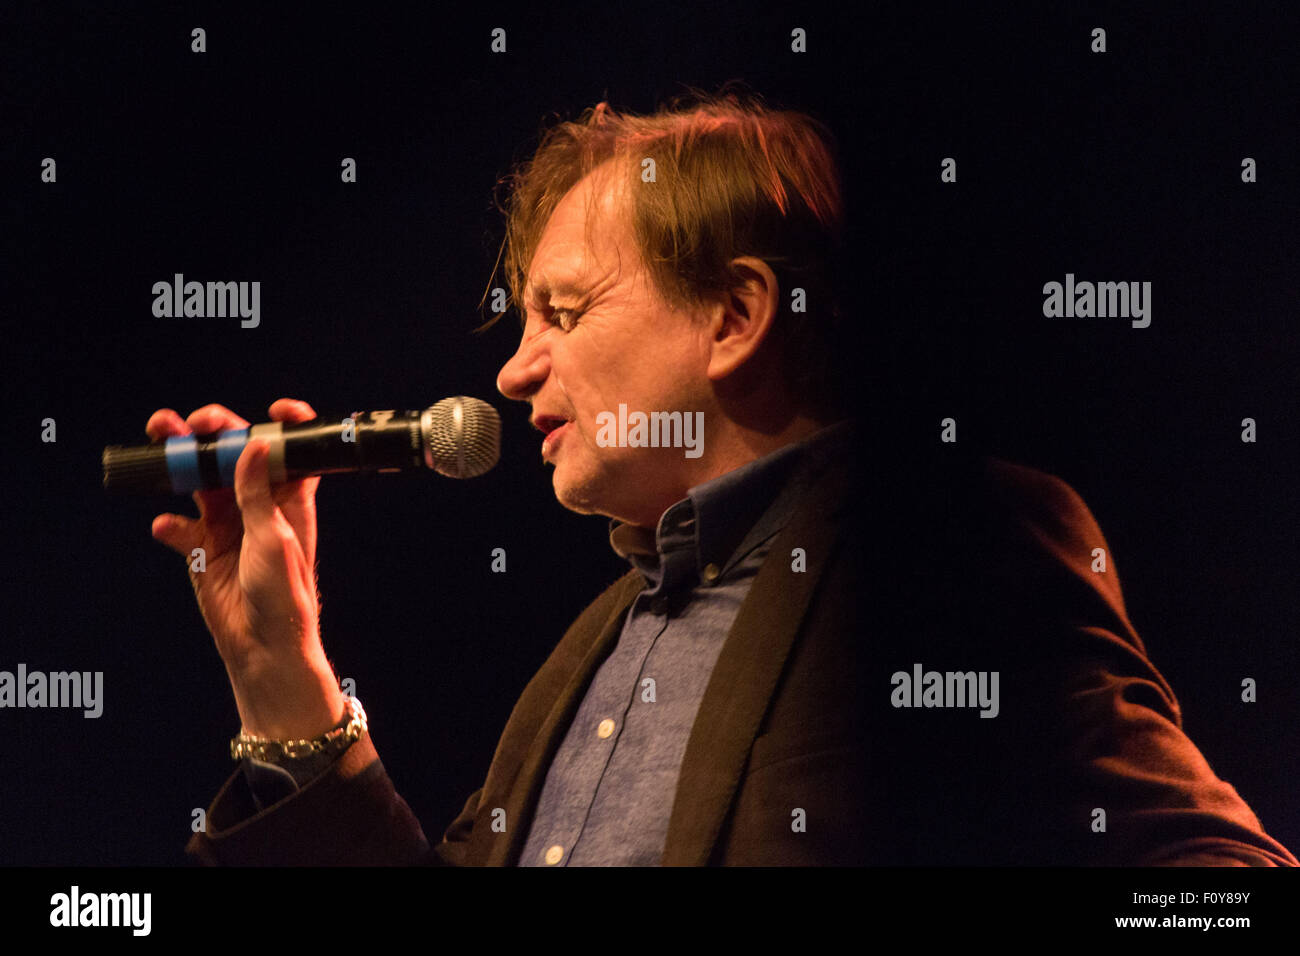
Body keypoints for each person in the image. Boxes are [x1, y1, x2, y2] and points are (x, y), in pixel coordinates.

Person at [151, 93, 1296, 866]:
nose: (513, 369)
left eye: (563, 310)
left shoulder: (949, 545)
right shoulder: (586, 655)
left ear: (737, 315)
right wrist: (284, 685)